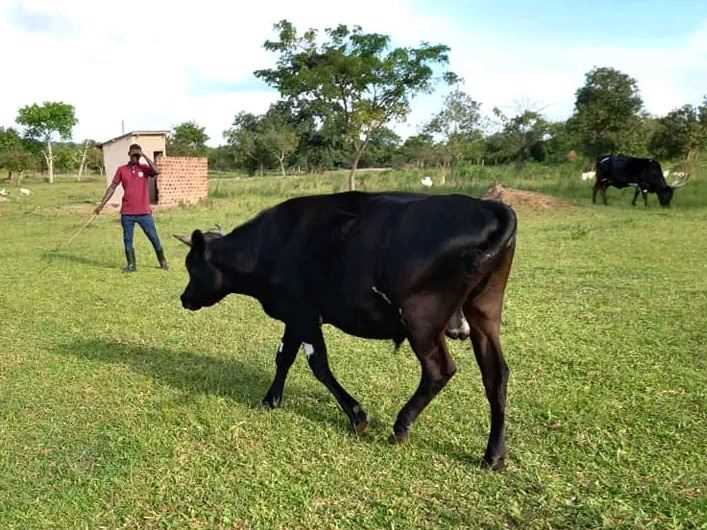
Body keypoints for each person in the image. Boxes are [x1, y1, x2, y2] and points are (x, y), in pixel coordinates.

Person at [95, 143, 168, 272]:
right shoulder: (121, 169)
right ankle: (131, 265)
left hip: (144, 213)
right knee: (127, 239)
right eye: (133, 154)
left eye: (137, 155)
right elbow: (112, 187)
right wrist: (102, 204)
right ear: (129, 154)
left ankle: (162, 262)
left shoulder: (144, 168)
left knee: (153, 237)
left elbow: (157, 171)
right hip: (127, 213)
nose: (135, 157)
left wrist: (144, 155)